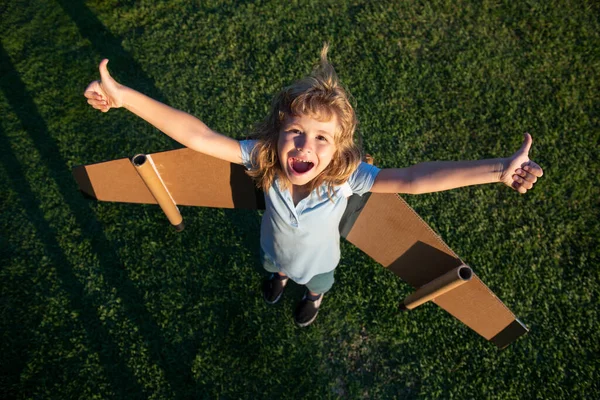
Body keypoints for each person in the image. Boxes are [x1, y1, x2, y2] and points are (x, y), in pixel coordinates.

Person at [84, 44, 543, 327]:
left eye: (322, 138)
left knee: (316, 282)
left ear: (340, 148)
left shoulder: (346, 179)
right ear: (277, 135)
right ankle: (280, 281)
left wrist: (496, 168)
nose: (305, 146)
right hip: (273, 248)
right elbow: (199, 136)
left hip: (322, 262)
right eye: (296, 132)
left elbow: (415, 180)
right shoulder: (263, 157)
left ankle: (313, 299)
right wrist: (124, 99)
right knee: (275, 267)